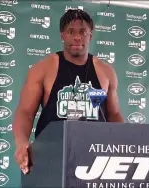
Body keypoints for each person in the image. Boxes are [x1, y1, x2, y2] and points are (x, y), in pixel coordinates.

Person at [12, 9, 124, 175]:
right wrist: (21, 143)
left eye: (83, 32)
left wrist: (126, 144)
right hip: (51, 156)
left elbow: (114, 114)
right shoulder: (43, 69)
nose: (77, 37)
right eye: (71, 32)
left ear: (90, 35)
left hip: (95, 159)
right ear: (62, 35)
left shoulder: (106, 72)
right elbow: (25, 112)